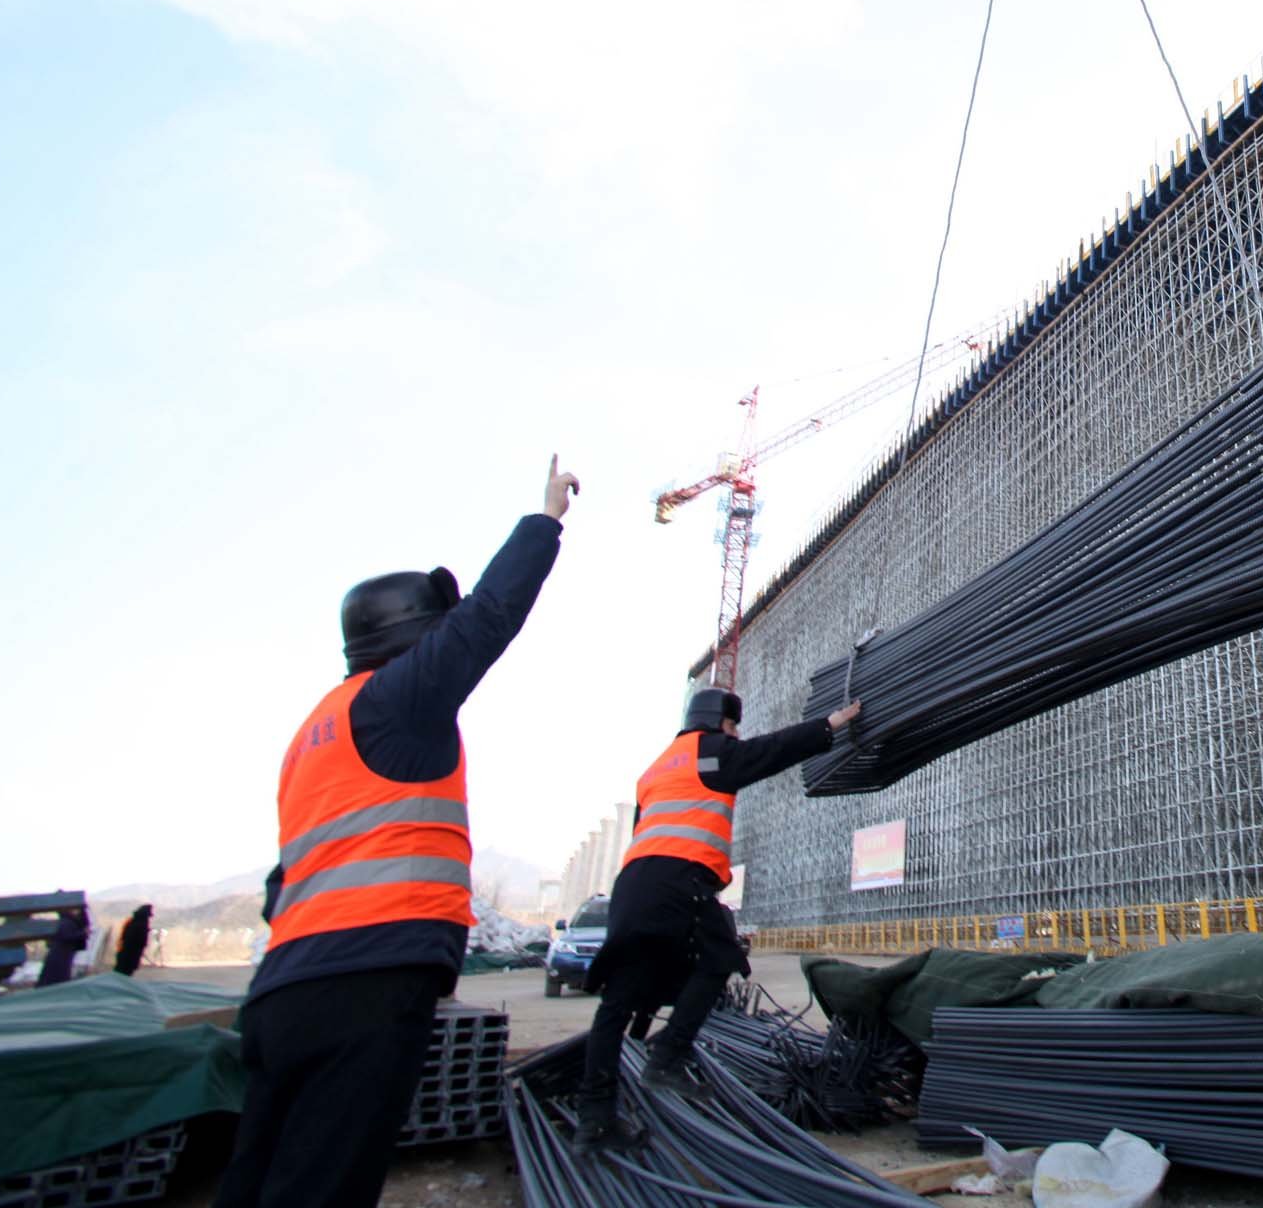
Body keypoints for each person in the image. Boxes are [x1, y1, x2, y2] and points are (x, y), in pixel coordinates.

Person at [213, 457, 580, 1208]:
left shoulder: (316, 732)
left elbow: (285, 881)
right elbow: (488, 617)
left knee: (256, 1177)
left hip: (282, 990)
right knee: (323, 1186)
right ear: (415, 636)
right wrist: (545, 521)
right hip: (366, 985)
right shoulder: (396, 702)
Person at [574, 688, 862, 1154]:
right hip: (680, 877)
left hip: (632, 886)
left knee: (618, 1000)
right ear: (717, 722)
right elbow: (770, 751)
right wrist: (827, 726)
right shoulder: (710, 753)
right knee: (720, 956)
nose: (736, 735)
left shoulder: (655, 769)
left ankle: (594, 1120)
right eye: (732, 727)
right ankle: (668, 1055)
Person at [39, 907, 90, 986]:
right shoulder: (67, 921)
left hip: (63, 954)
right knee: (56, 978)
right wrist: (83, 933)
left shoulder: (69, 921)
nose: (77, 912)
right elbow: (66, 936)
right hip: (60, 954)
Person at [112, 904, 152, 976]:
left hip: (125, 953)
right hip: (131, 954)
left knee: (120, 972)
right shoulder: (142, 923)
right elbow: (140, 940)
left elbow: (124, 936)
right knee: (124, 973)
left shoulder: (131, 921)